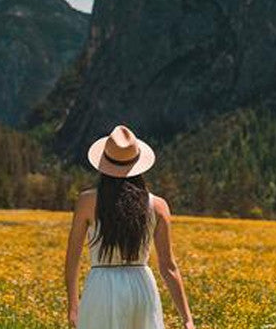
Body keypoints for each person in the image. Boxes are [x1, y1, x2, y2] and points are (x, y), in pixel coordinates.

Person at [64, 125, 194, 328]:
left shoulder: (87, 202)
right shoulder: (158, 206)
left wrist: (73, 304)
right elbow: (168, 266)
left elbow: (72, 258)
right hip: (141, 285)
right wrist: (187, 318)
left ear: (104, 164)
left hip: (102, 287)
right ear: (138, 165)